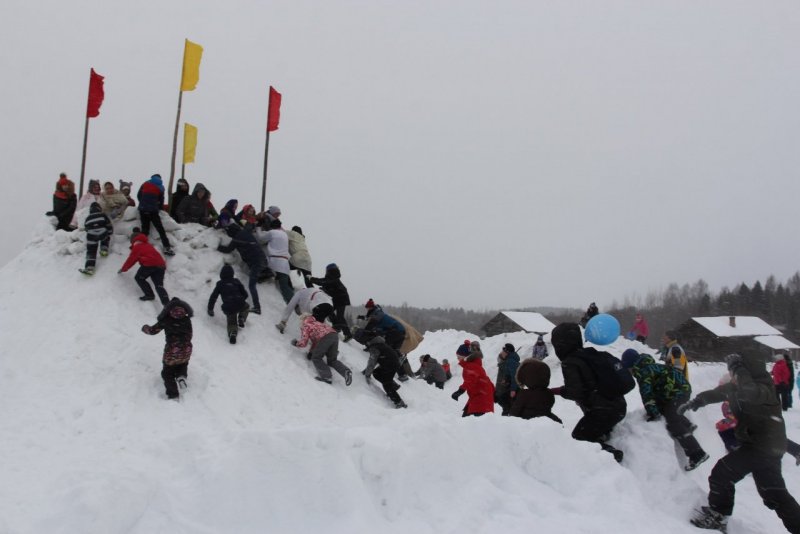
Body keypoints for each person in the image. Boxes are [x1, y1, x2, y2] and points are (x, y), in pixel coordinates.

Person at [679, 353, 800, 533]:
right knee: (773, 493)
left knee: (722, 473)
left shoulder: (763, 388)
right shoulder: (740, 386)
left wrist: (738, 368)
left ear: (746, 372)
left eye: (734, 373)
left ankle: (719, 516)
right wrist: (698, 401)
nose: (733, 377)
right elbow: (718, 393)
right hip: (765, 447)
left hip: (760, 446)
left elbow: (749, 392)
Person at [620, 349, 708, 471]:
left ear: (631, 365)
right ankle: (688, 425)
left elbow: (647, 395)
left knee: (672, 420)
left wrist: (653, 413)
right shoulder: (649, 366)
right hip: (676, 391)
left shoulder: (643, 372)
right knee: (666, 409)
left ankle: (697, 454)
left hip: (678, 392)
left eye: (627, 368)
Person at [550, 322, 626, 462]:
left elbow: (575, 392)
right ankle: (601, 435)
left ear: (560, 344)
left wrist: (558, 391)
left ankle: (610, 455)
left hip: (601, 412)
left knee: (579, 437)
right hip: (619, 406)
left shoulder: (570, 362)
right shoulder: (592, 355)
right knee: (591, 429)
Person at [141, 298, 193, 400]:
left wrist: (145, 328)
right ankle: (181, 376)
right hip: (187, 348)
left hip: (172, 350)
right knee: (183, 363)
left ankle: (173, 395)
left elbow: (152, 331)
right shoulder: (187, 319)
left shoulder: (166, 320)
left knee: (167, 372)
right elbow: (190, 334)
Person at [217, 222, 272, 315]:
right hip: (263, 260)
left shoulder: (237, 238)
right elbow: (250, 226)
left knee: (251, 285)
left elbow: (228, 249)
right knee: (256, 273)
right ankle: (265, 273)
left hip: (255, 262)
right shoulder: (246, 232)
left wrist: (218, 246)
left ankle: (257, 307)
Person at [292, 306, 352, 386]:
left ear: (302, 320)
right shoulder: (317, 323)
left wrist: (296, 343)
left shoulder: (306, 325)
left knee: (316, 357)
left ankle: (327, 377)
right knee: (332, 360)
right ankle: (345, 371)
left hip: (325, 337)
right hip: (334, 335)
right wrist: (311, 352)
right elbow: (316, 342)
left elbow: (303, 343)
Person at [118, 233, 170, 305]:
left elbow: (131, 260)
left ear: (133, 240)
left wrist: (123, 269)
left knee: (139, 278)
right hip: (161, 266)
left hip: (149, 264)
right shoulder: (148, 245)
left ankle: (149, 295)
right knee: (159, 285)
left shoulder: (137, 247)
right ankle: (167, 304)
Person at [207, 264, 250, 344]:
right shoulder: (236, 281)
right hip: (240, 303)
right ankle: (241, 318)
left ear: (221, 274)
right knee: (246, 307)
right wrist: (239, 299)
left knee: (232, 322)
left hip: (229, 307)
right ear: (232, 273)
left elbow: (213, 297)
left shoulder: (220, 284)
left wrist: (210, 309)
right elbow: (245, 294)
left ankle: (232, 333)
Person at [361, 334, 407, 408]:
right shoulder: (380, 345)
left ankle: (399, 402)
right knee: (376, 372)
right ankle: (393, 385)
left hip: (390, 365)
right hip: (392, 364)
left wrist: (367, 375)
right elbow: (375, 361)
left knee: (386, 384)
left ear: (368, 342)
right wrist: (367, 370)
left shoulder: (375, 348)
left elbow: (372, 362)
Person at [451, 341, 495, 417]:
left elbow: (470, 381)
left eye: (459, 356)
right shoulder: (474, 364)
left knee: (469, 422)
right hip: (480, 397)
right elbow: (486, 378)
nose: (457, 358)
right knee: (467, 420)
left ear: (466, 356)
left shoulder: (471, 366)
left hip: (481, 399)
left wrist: (460, 391)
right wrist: (494, 392)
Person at [310, 263, 352, 341]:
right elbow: (328, 285)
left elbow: (323, 282)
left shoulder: (332, 278)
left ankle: (347, 333)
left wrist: (311, 279)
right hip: (339, 298)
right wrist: (324, 289)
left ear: (329, 270)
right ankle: (337, 326)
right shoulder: (333, 278)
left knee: (339, 316)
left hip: (341, 298)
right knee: (330, 311)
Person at [136, 174, 174, 256]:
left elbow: (139, 195)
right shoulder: (161, 187)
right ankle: (167, 247)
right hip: (153, 210)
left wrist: (143, 204)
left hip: (143, 209)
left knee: (145, 229)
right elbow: (161, 200)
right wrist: (158, 207)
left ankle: (140, 247)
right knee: (160, 229)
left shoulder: (145, 183)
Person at [260, 218, 295, 303]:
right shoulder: (285, 234)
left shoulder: (272, 232)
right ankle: (294, 302)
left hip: (274, 262)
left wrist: (258, 229)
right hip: (285, 264)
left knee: (264, 272)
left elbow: (261, 239)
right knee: (285, 286)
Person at [79, 202, 113, 275]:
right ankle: (104, 249)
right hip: (102, 232)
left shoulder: (88, 218)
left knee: (91, 251)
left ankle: (89, 268)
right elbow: (108, 224)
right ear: (99, 208)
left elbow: (86, 228)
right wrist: (110, 232)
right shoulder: (102, 215)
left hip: (91, 235)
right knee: (105, 238)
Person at [494, 343, 521, 416]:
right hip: (510, 387)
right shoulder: (509, 360)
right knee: (506, 404)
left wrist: (513, 390)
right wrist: (505, 380)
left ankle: (506, 419)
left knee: (505, 402)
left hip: (513, 388)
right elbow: (508, 374)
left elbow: (514, 376)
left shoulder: (511, 361)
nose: (502, 352)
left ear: (507, 352)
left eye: (503, 351)